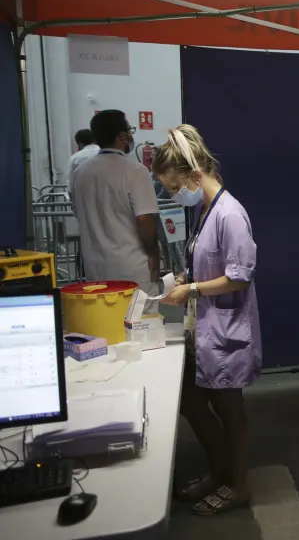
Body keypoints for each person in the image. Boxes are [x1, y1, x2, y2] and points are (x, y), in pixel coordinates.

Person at [154, 125, 261, 516]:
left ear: (195, 176)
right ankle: (220, 471)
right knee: (193, 404)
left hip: (226, 330)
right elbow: (209, 263)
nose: (173, 194)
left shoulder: (230, 215)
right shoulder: (206, 211)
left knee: (230, 412)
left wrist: (193, 289)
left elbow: (239, 276)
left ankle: (238, 485)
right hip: (206, 327)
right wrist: (186, 278)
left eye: (174, 186)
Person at [70, 110, 161, 285]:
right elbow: (144, 219)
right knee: (139, 305)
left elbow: (77, 211)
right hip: (132, 269)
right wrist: (154, 254)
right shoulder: (135, 171)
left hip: (95, 268)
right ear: (121, 135)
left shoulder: (80, 173)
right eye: (129, 131)